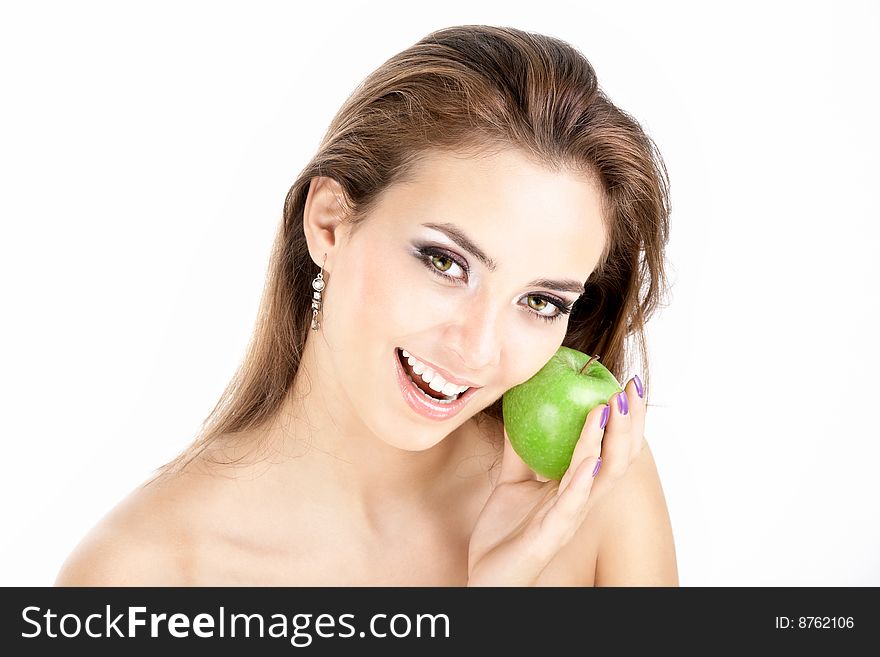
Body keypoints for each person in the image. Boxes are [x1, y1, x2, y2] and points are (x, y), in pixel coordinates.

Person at [55, 25, 678, 586]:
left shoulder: (593, 494)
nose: (479, 348)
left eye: (540, 301)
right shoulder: (139, 577)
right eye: (445, 263)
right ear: (329, 223)